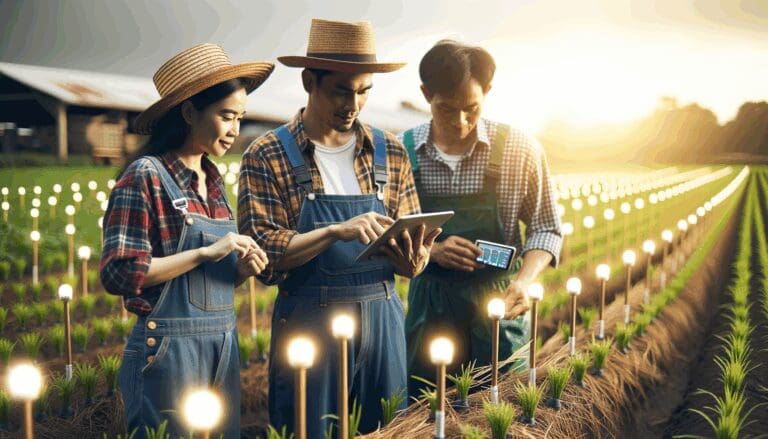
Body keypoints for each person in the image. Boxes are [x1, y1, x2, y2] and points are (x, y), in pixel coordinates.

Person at [238, 19, 438, 437]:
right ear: (310, 80)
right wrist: (335, 231)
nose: (353, 104)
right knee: (309, 429)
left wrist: (414, 259)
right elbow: (265, 257)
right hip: (310, 324)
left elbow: (413, 260)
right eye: (341, 91)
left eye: (364, 91)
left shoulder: (392, 151)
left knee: (390, 428)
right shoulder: (268, 154)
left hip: (384, 321)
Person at [99, 43, 273, 438]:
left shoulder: (213, 183)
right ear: (190, 112)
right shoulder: (146, 175)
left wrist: (240, 271)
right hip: (166, 352)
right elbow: (120, 273)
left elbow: (207, 281)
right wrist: (205, 252)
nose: (235, 130)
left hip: (222, 346)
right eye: (226, 116)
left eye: (240, 118)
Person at [399, 40, 563, 397]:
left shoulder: (521, 150)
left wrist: (525, 280)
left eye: (471, 108)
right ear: (426, 94)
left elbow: (546, 228)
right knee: (427, 408)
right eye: (446, 109)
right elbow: (388, 230)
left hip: (498, 302)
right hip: (431, 303)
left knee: (502, 406)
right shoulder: (402, 152)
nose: (460, 121)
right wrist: (435, 249)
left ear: (487, 92)